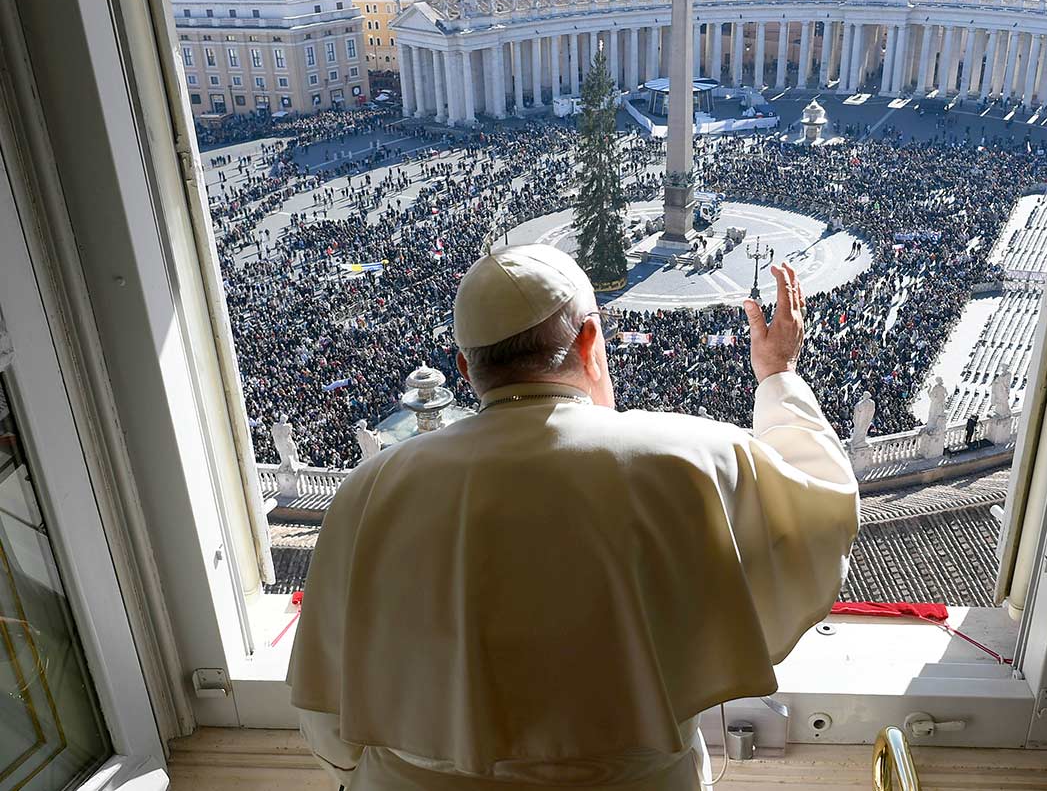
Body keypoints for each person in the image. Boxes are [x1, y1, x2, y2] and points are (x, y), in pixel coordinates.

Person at [288, 244, 860, 791]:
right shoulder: (689, 455)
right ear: (590, 340)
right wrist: (778, 374)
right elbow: (823, 507)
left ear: (465, 368)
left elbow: (326, 706)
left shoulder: (373, 487)